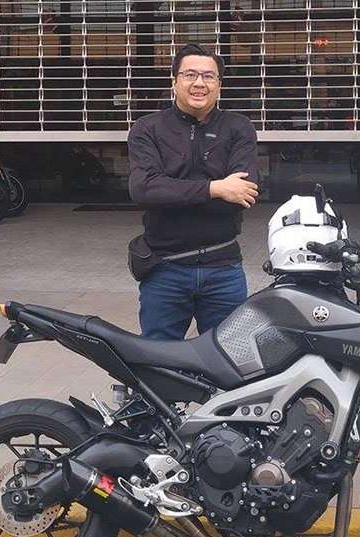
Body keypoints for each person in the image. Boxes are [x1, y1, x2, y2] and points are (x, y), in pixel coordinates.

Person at [127, 43, 260, 340]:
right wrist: (216, 188)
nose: (199, 83)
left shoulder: (239, 127)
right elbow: (144, 189)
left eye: (208, 76)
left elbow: (243, 194)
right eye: (190, 75)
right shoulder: (147, 128)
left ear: (219, 85)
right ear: (174, 81)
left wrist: (172, 190)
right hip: (165, 269)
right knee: (159, 358)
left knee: (228, 357)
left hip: (223, 268)